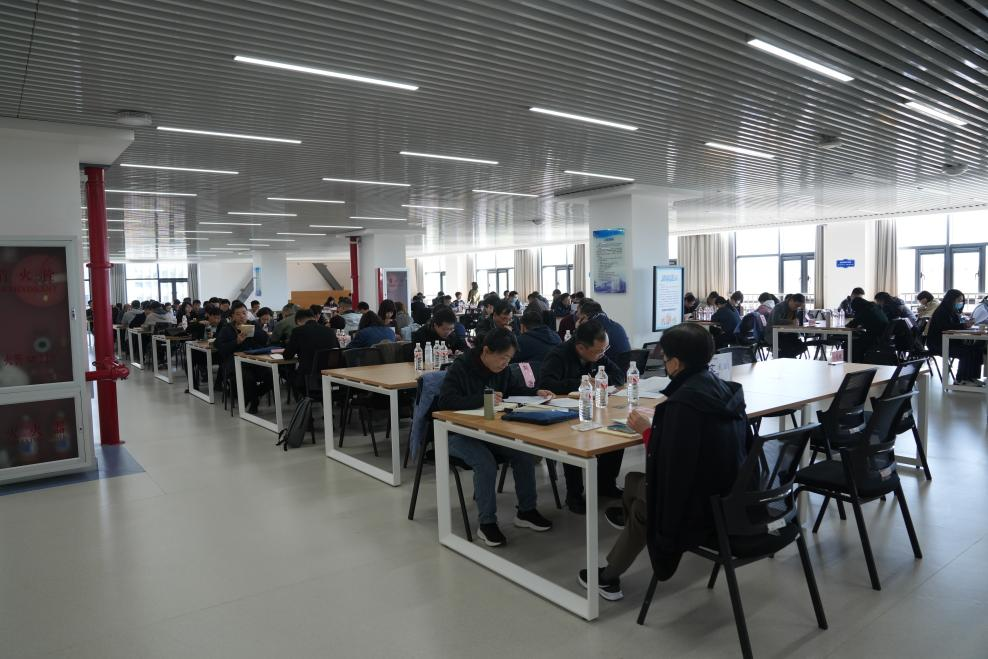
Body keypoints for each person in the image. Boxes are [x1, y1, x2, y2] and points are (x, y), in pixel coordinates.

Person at [580, 323, 748, 601]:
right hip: (730, 493)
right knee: (633, 483)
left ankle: (609, 574)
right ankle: (619, 553)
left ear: (676, 363)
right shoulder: (725, 390)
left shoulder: (684, 405)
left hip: (701, 506)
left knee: (643, 505)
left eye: (666, 359)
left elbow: (668, 465)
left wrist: (647, 431)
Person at [437, 328, 556, 546]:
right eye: (503, 358)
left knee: (523, 453)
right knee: (485, 463)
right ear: (486, 351)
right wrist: (483, 399)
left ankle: (526, 511)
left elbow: (512, 389)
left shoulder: (501, 369)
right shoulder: (461, 367)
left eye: (509, 359)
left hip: (490, 431)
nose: (505, 363)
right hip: (457, 433)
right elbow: (446, 402)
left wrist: (535, 392)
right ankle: (487, 523)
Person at [539, 320, 627, 512]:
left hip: (593, 408)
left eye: (605, 349)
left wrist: (601, 380)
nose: (603, 354)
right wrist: (582, 382)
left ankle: (606, 484)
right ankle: (574, 494)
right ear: (581, 347)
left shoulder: (597, 354)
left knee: (615, 430)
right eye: (599, 351)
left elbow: (619, 376)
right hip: (564, 412)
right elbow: (546, 384)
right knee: (575, 440)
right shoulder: (558, 355)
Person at [214, 305, 272, 413]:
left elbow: (265, 340)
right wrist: (236, 342)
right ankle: (254, 402)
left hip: (254, 361)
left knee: (271, 375)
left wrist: (253, 331)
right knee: (248, 378)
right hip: (236, 363)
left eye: (244, 313)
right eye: (238, 314)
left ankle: (252, 396)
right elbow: (220, 348)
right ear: (232, 316)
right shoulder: (227, 329)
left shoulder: (253, 324)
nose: (242, 316)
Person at [929, 289, 984, 386]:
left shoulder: (952, 311)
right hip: (939, 344)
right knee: (967, 352)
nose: (961, 303)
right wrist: (964, 326)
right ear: (951, 299)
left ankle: (971, 378)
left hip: (950, 342)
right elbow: (945, 327)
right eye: (959, 300)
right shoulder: (942, 311)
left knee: (977, 349)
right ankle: (960, 379)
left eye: (962, 300)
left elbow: (954, 326)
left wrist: (965, 325)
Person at [283, 308, 340, 395]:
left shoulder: (298, 331)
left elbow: (287, 355)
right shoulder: (330, 331)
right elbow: (337, 350)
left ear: (298, 321)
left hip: (307, 378)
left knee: (288, 373)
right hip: (330, 376)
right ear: (314, 318)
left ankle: (302, 400)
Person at [846, 297, 889, 362]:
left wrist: (847, 325)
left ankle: (855, 362)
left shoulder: (865, 310)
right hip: (881, 335)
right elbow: (873, 319)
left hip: (874, 337)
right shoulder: (874, 306)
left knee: (849, 343)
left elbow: (852, 324)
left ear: (857, 306)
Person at [766, 293, 807, 357]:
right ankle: (782, 357)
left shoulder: (794, 309)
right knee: (790, 348)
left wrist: (803, 310)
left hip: (787, 334)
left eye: (798, 306)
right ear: (791, 300)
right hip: (775, 334)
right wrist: (791, 321)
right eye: (796, 305)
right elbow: (775, 321)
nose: (796, 308)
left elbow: (798, 321)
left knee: (803, 347)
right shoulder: (779, 307)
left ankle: (781, 356)